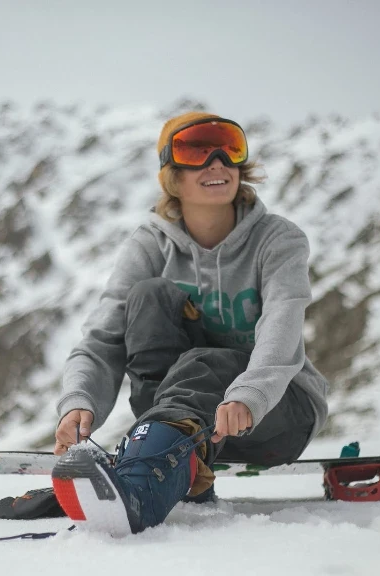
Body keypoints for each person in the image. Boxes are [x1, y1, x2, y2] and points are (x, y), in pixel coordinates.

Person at [43, 112, 329, 535]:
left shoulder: (278, 240)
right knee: (148, 297)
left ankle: (143, 491)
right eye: (196, 151)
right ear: (172, 175)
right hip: (192, 423)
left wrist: (248, 395)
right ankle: (165, 458)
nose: (217, 163)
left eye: (229, 149)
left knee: (208, 360)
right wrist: (79, 401)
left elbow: (282, 326)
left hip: (275, 411)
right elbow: (103, 337)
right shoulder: (151, 243)